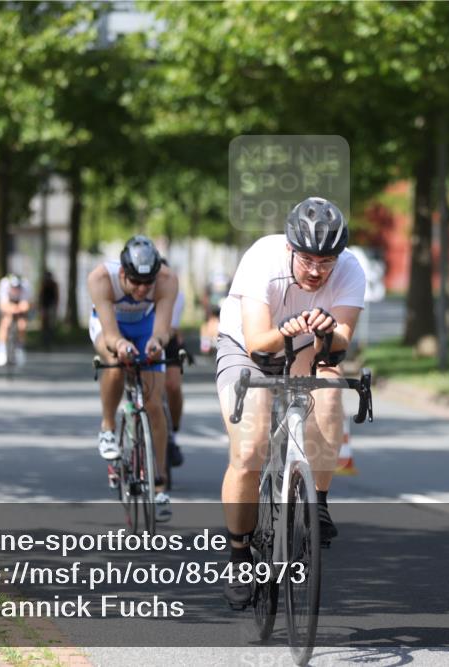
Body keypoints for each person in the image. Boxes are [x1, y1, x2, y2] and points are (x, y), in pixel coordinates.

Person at [216, 196, 365, 608]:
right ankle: (240, 553)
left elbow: (341, 344)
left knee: (331, 385)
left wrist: (326, 331)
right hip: (251, 345)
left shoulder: (351, 269)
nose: (317, 271)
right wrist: (290, 328)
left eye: (326, 261)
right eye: (308, 261)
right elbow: (259, 344)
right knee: (250, 448)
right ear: (290, 249)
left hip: (306, 343)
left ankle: (318, 502)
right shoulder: (262, 259)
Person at [87, 236, 179, 522]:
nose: (141, 289)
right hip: (109, 327)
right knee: (115, 359)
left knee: (153, 404)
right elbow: (111, 334)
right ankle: (107, 427)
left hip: (145, 326)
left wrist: (155, 343)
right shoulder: (101, 278)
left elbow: (163, 330)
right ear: (123, 273)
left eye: (147, 283)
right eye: (135, 282)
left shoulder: (166, 279)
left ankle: (159, 482)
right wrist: (121, 345)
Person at [162, 265, 187, 468]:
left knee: (172, 385)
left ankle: (173, 429)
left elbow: (172, 329)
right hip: (136, 338)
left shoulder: (174, 292)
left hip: (166, 338)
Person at [0, 273, 32, 367]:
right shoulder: (3, 285)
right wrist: (12, 309)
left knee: (22, 325)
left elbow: (25, 305)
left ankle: (20, 349)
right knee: (5, 323)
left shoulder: (26, 287)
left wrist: (18, 309)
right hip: (8, 304)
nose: (15, 290)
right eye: (13, 288)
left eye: (17, 288)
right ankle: (1, 351)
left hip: (19, 305)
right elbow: (3, 305)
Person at [199, 270, 231, 354]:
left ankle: (207, 343)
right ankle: (207, 342)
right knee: (210, 322)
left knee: (211, 322)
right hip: (216, 308)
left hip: (219, 308)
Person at [39, 270, 60, 348]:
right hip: (45, 306)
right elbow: (41, 296)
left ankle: (50, 339)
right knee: (44, 323)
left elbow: (57, 296)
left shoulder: (54, 284)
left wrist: (56, 306)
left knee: (51, 323)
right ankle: (44, 339)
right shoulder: (43, 284)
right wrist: (41, 308)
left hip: (51, 305)